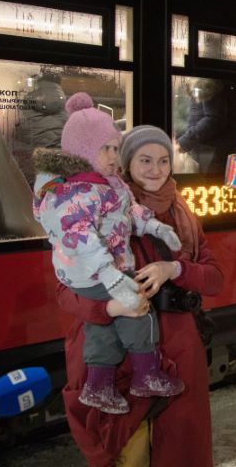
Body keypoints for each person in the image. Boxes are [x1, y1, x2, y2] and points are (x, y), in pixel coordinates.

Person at [55, 124, 223, 466]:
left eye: (164, 160)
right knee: (128, 454)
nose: (156, 170)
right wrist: (110, 308)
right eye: (145, 160)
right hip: (122, 359)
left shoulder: (184, 212)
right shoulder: (99, 210)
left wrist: (174, 270)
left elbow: (215, 279)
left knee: (180, 451)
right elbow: (64, 293)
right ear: (126, 164)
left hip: (180, 353)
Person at [33, 93, 185, 416]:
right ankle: (146, 374)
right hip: (93, 271)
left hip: (105, 268)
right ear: (85, 149)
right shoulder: (75, 192)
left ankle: (98, 386)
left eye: (117, 147)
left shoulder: (110, 184)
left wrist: (158, 229)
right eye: (107, 148)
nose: (114, 155)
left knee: (104, 328)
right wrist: (113, 280)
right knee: (136, 311)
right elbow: (81, 240)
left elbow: (131, 212)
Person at [176, 79, 236, 172]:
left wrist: (184, 142)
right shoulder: (232, 84)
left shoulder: (210, 82)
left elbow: (214, 119)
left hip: (211, 151)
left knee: (209, 183)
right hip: (227, 148)